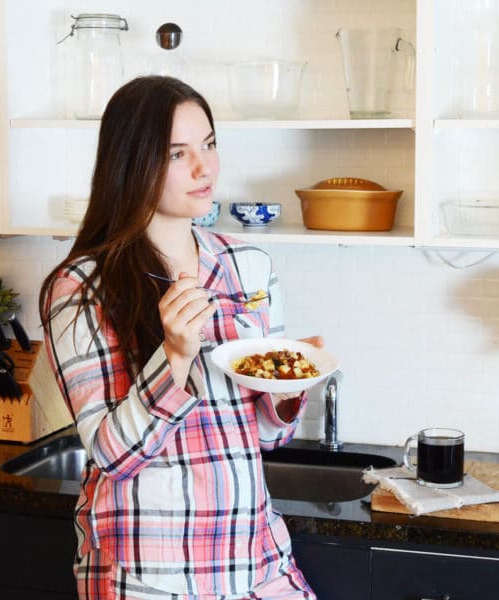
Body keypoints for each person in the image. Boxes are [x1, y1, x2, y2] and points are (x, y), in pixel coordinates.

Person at [40, 75, 319, 600]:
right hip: (151, 572)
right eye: (177, 153)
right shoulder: (81, 288)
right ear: (132, 161)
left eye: (209, 144)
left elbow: (263, 438)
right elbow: (109, 454)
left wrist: (284, 397)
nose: (204, 166)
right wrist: (172, 357)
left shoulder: (247, 267)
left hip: (254, 558)